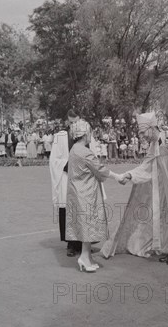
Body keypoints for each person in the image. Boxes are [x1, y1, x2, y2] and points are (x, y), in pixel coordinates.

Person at [102, 112, 168, 266]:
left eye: (143, 132)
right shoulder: (154, 146)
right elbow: (146, 168)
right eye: (139, 132)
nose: (141, 136)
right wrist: (129, 175)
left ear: (152, 128)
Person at [65, 119, 122, 272]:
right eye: (89, 132)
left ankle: (87, 257)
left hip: (79, 190)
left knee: (86, 224)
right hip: (86, 192)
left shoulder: (74, 149)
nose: (91, 135)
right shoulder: (84, 151)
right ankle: (84, 256)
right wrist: (118, 177)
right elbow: (100, 169)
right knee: (88, 224)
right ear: (84, 134)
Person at [50, 110, 83, 257]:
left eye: (76, 122)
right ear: (67, 122)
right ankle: (71, 244)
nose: (74, 125)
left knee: (82, 209)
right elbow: (53, 160)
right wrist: (67, 164)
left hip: (83, 178)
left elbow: (93, 155)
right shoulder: (60, 136)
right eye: (71, 122)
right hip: (66, 176)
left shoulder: (87, 135)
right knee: (68, 210)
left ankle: (83, 243)